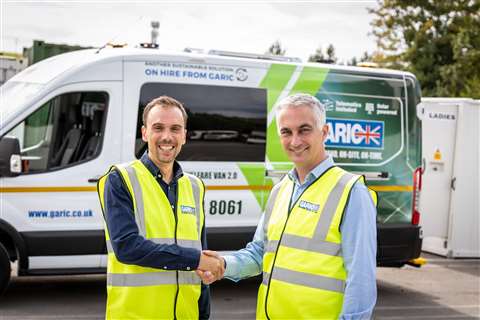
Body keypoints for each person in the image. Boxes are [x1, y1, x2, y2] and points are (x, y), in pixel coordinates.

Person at [198, 93, 377, 320]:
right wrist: (222, 264)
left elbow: (361, 279)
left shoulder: (351, 192)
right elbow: (259, 254)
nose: (295, 141)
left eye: (304, 130)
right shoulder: (280, 190)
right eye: (286, 132)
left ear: (324, 132)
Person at [97, 96, 224, 320]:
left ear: (184, 135)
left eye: (175, 128)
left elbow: (201, 261)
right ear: (145, 133)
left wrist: (203, 315)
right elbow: (127, 247)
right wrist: (195, 259)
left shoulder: (195, 187)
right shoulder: (120, 179)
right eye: (158, 128)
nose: (167, 137)